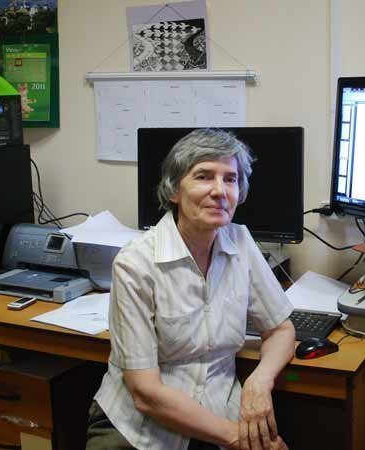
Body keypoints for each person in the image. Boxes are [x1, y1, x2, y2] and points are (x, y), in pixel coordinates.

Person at [86, 128, 295, 450]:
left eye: (230, 179)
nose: (220, 191)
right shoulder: (136, 263)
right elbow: (146, 393)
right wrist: (240, 439)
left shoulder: (240, 241)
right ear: (174, 190)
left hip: (219, 412)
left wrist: (259, 381)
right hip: (140, 430)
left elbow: (281, 329)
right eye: (203, 176)